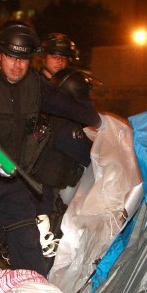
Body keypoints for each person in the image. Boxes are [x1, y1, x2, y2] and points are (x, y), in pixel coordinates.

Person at [0, 22, 101, 278]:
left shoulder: (36, 85)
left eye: (24, 59)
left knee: (30, 255)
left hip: (14, 181)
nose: (17, 65)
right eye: (11, 56)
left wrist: (101, 123)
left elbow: (68, 106)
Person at [30, 68, 97, 262]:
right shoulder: (67, 126)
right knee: (46, 251)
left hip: (35, 188)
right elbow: (89, 156)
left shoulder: (47, 117)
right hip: (45, 195)